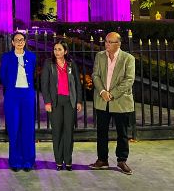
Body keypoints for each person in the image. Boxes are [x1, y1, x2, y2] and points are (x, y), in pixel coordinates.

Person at [89, 31, 136, 175]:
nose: (107, 44)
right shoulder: (100, 56)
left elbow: (129, 80)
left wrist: (112, 93)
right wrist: (103, 92)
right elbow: (95, 75)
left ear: (118, 44)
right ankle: (102, 159)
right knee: (101, 132)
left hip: (120, 101)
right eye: (106, 42)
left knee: (122, 133)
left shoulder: (128, 58)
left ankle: (122, 160)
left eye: (110, 42)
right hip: (102, 100)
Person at [40, 40, 83, 171]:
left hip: (69, 101)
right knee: (57, 132)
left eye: (59, 49)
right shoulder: (49, 64)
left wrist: (79, 101)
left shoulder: (71, 64)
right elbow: (44, 84)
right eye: (55, 49)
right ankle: (59, 161)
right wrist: (47, 102)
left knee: (69, 132)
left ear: (65, 51)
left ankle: (68, 161)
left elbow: (77, 83)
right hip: (55, 102)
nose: (56, 52)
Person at [0, 32, 37, 172]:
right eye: (17, 40)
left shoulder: (31, 57)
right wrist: (10, 88)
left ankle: (28, 161)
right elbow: (2, 76)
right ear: (13, 43)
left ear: (25, 42)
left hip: (27, 95)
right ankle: (15, 161)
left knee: (27, 128)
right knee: (14, 128)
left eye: (22, 40)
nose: (20, 42)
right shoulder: (7, 57)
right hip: (13, 95)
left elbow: (33, 74)